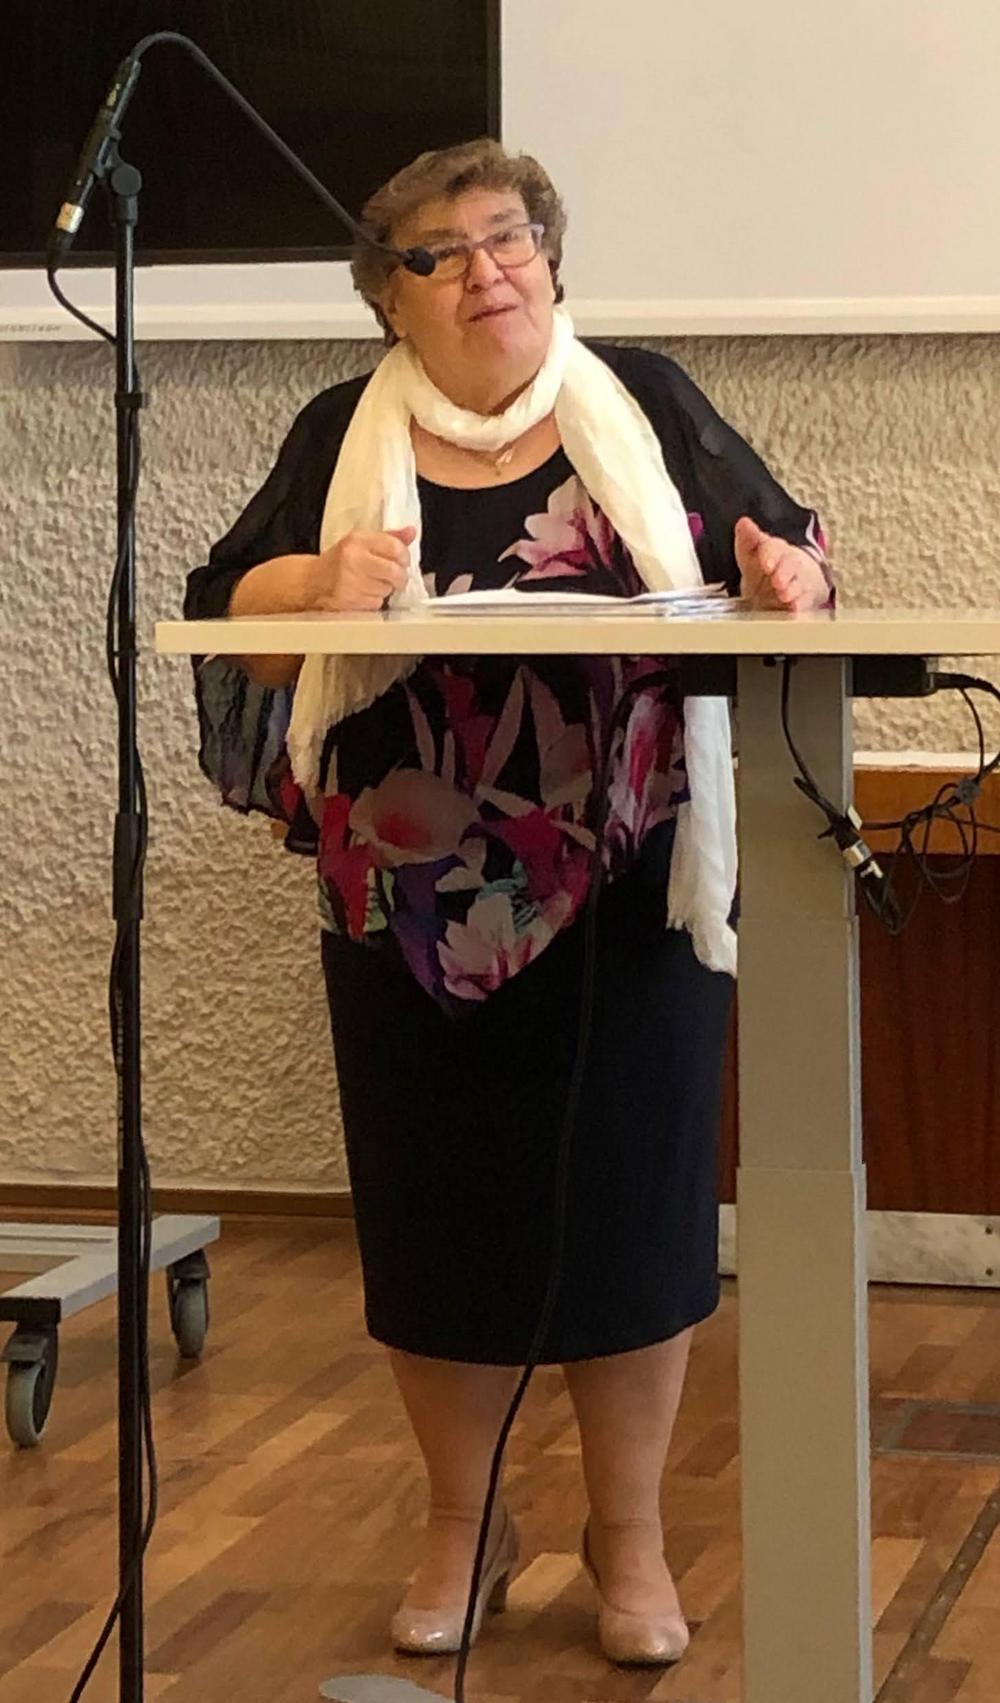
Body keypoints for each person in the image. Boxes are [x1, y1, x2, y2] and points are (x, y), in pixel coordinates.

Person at [184, 137, 832, 1669]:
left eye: (509, 237)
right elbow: (229, 613)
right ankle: (463, 1529)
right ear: (388, 300)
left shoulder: (644, 399)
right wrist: (317, 587)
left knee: (634, 1212)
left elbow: (791, 559)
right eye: (439, 253)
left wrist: (787, 581)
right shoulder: (342, 431)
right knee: (437, 1218)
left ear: (549, 258)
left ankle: (631, 1538)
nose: (485, 270)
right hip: (408, 891)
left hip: (634, 871)